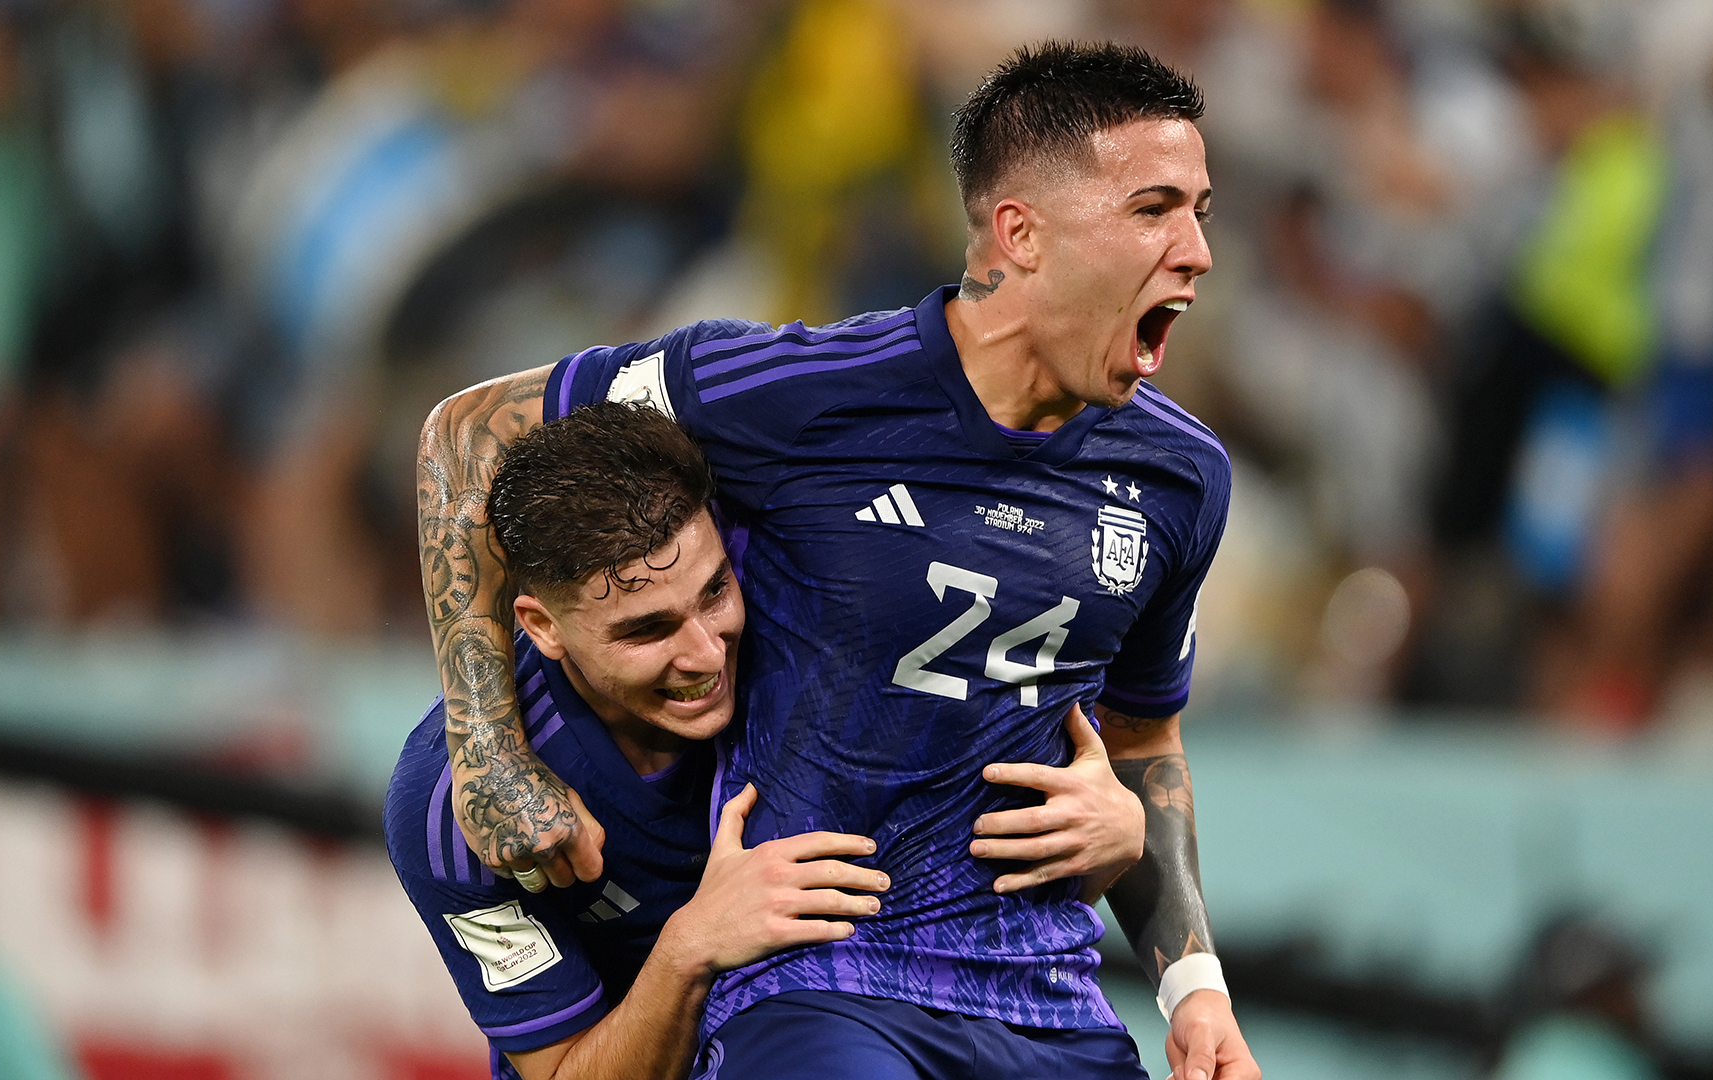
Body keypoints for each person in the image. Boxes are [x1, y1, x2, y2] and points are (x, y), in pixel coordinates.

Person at [417, 42, 1259, 1080]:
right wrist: (487, 754)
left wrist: (1193, 985)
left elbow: (1143, 731)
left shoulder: (1181, 479)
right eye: (1153, 210)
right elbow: (469, 431)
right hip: (825, 987)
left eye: (1200, 213)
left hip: (1047, 1000)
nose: (1195, 252)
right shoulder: (799, 391)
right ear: (1020, 234)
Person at [389, 401, 1143, 1080]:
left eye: (714, 591)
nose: (708, 654)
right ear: (542, 626)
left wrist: (1113, 834)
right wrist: (691, 947)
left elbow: (968, 888)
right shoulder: (454, 811)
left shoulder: (813, 625)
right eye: (647, 630)